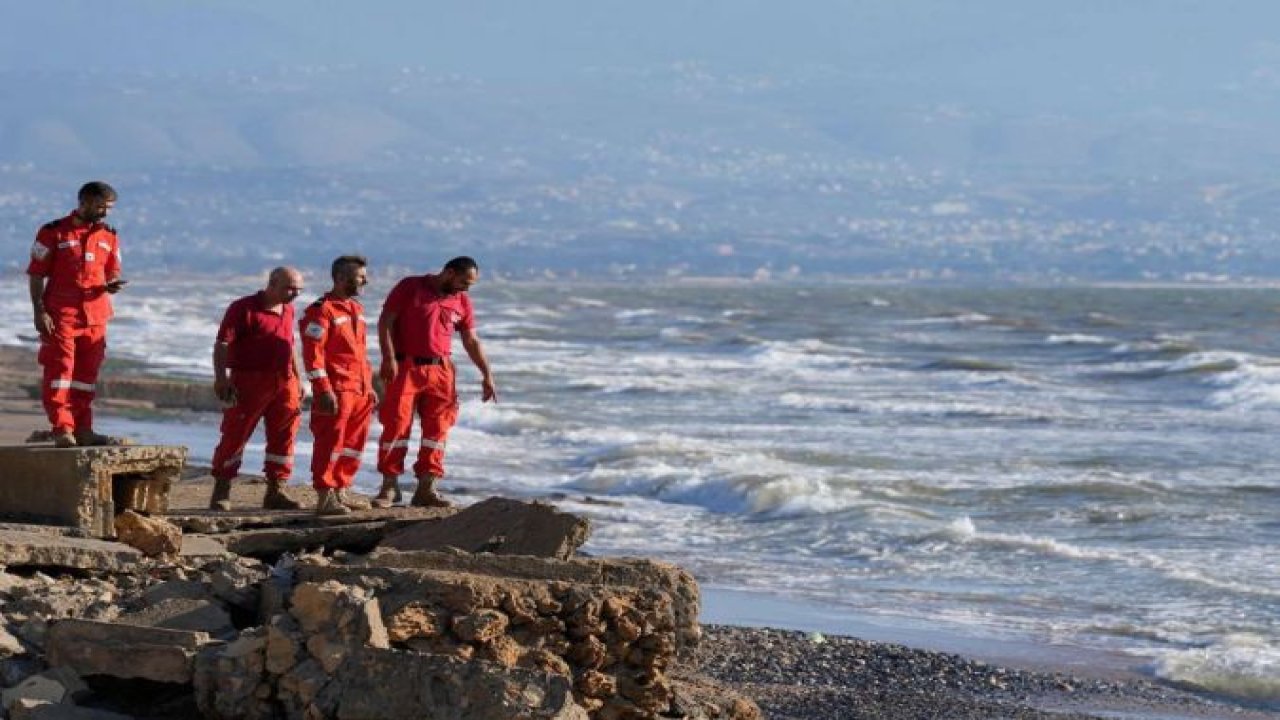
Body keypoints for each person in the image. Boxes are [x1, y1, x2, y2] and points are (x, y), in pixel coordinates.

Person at [375, 256, 497, 508]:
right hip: (405, 367)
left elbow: (471, 340)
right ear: (449, 272)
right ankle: (389, 486)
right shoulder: (411, 286)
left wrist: (487, 374)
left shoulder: (462, 300)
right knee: (396, 426)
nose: (466, 288)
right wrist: (388, 358)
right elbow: (386, 321)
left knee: (438, 430)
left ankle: (427, 487)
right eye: (464, 282)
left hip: (442, 370)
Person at [26, 181, 127, 448]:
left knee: (86, 378)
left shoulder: (109, 236)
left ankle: (83, 428)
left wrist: (113, 282)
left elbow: (113, 269)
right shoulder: (53, 232)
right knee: (60, 372)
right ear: (84, 202)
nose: (105, 213)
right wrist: (39, 311)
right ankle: (62, 428)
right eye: (101, 207)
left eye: (109, 208)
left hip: (96, 317)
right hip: (61, 316)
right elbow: (36, 273)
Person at [208, 267, 307, 512]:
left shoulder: (289, 310)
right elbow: (222, 343)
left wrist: (299, 377)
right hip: (249, 380)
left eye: (298, 290)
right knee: (236, 433)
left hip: (285, 382)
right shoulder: (243, 308)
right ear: (272, 283)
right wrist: (221, 378)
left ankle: (276, 491)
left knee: (285, 435)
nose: (295, 294)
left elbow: (290, 344)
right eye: (290, 288)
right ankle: (222, 490)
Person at [300, 256, 377, 516]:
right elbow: (313, 354)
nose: (366, 280)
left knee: (354, 443)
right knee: (330, 442)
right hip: (337, 389)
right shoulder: (321, 311)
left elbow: (359, 353)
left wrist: (369, 386)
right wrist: (322, 388)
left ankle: (341, 489)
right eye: (360, 276)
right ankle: (324, 497)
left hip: (359, 389)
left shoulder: (356, 310)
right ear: (342, 278)